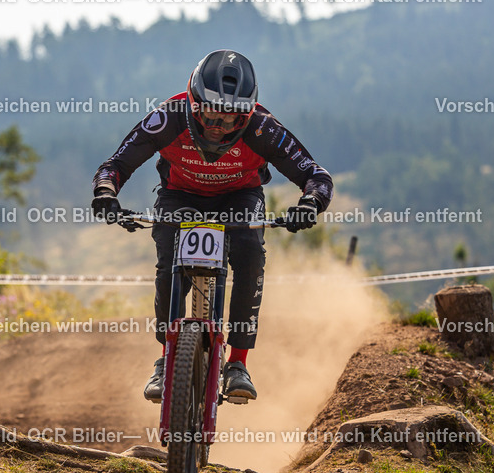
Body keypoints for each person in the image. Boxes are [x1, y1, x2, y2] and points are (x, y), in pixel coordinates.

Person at [91, 49, 333, 403]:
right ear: (192, 103)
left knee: (250, 255)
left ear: (247, 114)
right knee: (168, 266)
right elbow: (115, 165)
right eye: (210, 115)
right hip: (180, 195)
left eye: (231, 119)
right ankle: (165, 359)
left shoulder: (263, 127)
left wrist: (310, 204)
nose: (218, 127)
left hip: (240, 196)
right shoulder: (167, 118)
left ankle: (238, 363)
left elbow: (315, 175)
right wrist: (106, 193)